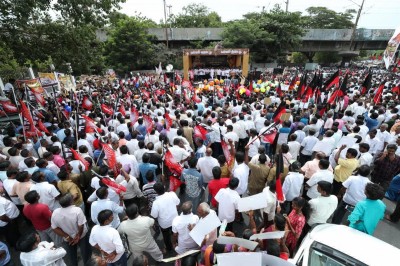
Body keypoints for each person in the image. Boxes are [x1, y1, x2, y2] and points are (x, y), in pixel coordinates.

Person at [51, 194, 91, 266]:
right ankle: (88, 264)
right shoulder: (77, 210)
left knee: (71, 256)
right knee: (86, 252)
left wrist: (67, 236)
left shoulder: (55, 212)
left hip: (68, 238)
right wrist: (78, 236)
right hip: (81, 236)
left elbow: (54, 228)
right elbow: (81, 225)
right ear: (71, 201)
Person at [151, 182, 180, 252]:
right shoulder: (172, 194)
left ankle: (169, 248)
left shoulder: (155, 203)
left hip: (164, 224)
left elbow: (154, 215)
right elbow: (178, 204)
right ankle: (178, 244)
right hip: (175, 219)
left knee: (166, 236)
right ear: (164, 187)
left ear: (156, 192)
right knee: (176, 232)